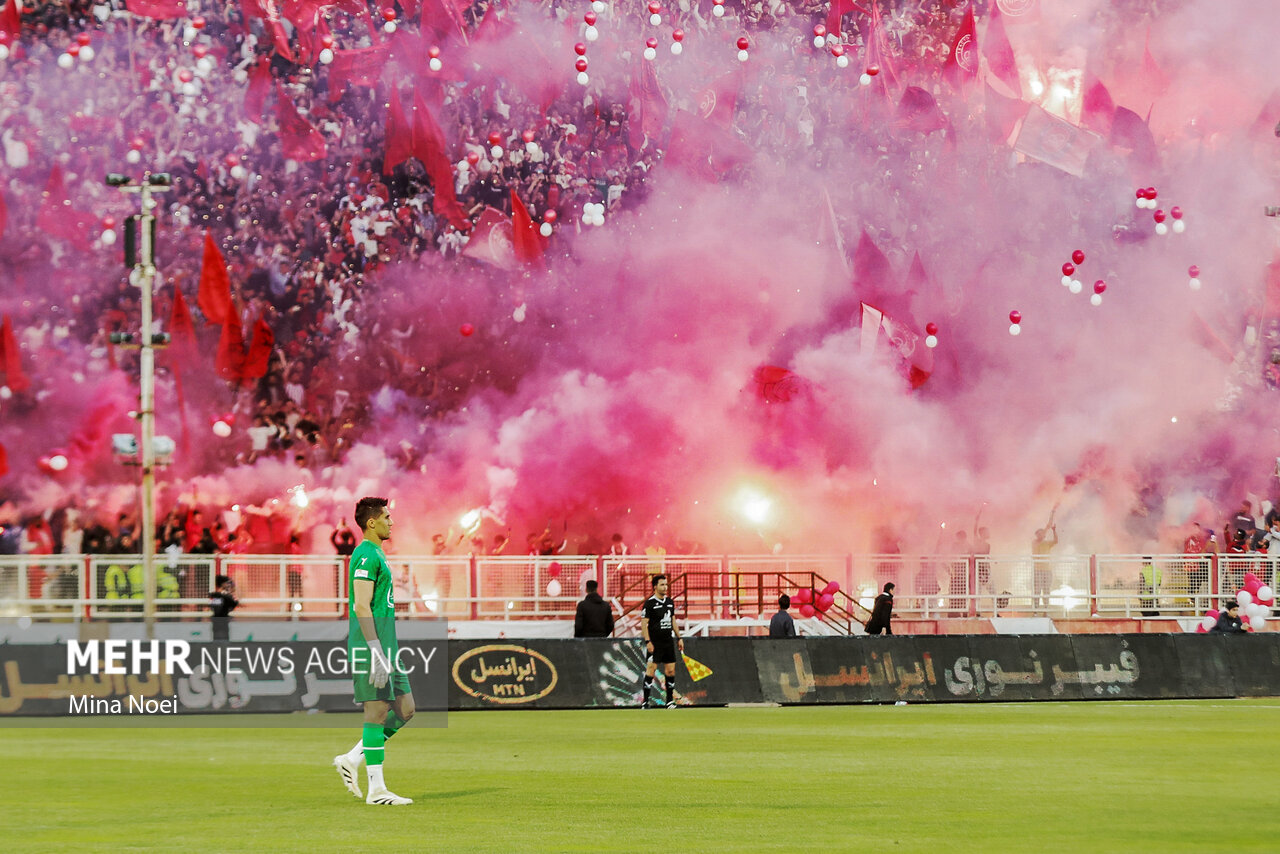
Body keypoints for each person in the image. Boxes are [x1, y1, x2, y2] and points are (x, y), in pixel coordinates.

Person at [332, 497, 414, 806]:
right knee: (377, 713)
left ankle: (353, 758)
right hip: (372, 647)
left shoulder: (377, 553)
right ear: (372, 522)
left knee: (406, 709)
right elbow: (361, 606)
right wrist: (376, 650)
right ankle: (376, 790)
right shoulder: (365, 554)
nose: (391, 522)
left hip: (387, 646)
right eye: (386, 517)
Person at [640, 574, 683, 709]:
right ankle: (645, 702)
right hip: (655, 642)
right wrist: (648, 641)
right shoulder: (649, 603)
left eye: (666, 584)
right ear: (655, 587)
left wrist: (679, 637)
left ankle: (669, 701)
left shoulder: (669, 602)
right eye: (662, 585)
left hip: (668, 642)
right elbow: (644, 624)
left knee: (670, 671)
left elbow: (673, 620)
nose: (665, 587)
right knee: (651, 670)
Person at [1032, 524, 1058, 609]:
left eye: (1041, 533)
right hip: (1038, 570)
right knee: (1037, 590)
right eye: (1038, 534)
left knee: (1046, 589)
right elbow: (1039, 541)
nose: (1040, 535)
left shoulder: (1047, 543)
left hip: (1047, 570)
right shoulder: (1034, 542)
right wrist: (1047, 528)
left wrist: (1054, 530)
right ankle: (1036, 609)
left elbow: (1056, 541)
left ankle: (1046, 609)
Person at [208, 575, 238, 642]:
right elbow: (233, 604)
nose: (229, 585)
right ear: (222, 584)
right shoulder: (221, 596)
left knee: (219, 641)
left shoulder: (216, 595)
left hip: (219, 622)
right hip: (221, 622)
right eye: (227, 583)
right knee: (221, 641)